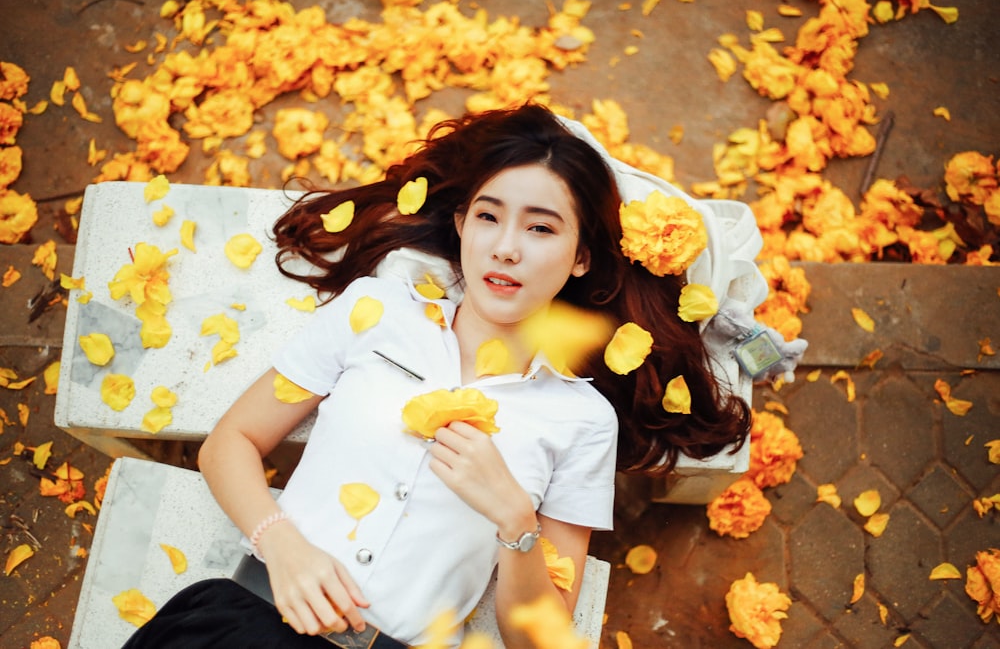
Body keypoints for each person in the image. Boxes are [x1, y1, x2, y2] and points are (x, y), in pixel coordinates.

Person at [123, 103, 773, 649]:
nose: (506, 246)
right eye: (489, 216)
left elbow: (540, 635)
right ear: (461, 224)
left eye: (540, 227)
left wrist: (515, 519)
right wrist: (281, 544)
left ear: (580, 257)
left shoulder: (581, 418)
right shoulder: (374, 315)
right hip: (247, 624)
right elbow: (229, 442)